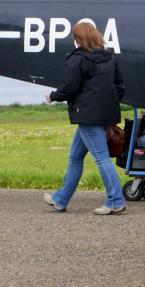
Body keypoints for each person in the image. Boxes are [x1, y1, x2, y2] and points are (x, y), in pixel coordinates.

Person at [43, 21, 128, 215]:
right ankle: (60, 199)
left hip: (87, 115)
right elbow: (120, 87)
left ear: (79, 39)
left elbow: (70, 85)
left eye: (75, 38)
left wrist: (53, 96)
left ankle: (115, 200)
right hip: (104, 115)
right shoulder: (109, 58)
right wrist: (107, 106)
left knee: (101, 158)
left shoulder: (78, 58)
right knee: (75, 156)